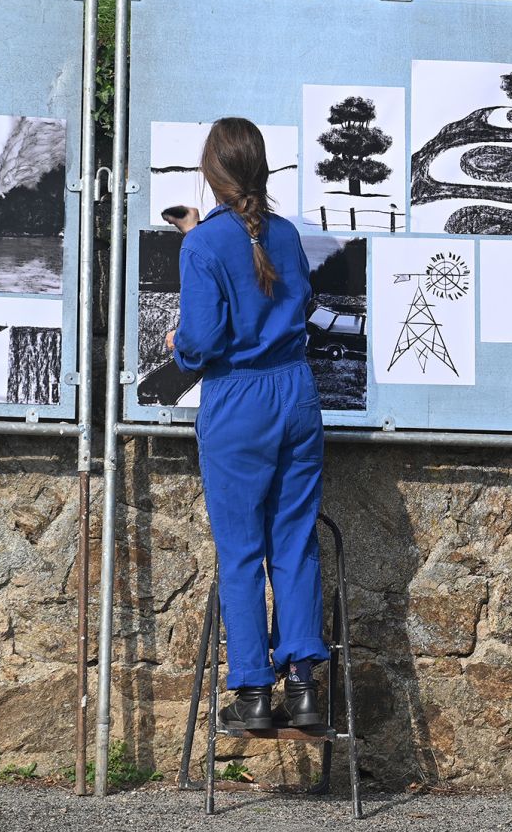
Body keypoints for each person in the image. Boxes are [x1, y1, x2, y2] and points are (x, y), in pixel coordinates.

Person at [163, 117, 330, 729]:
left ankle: (254, 693)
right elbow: (294, 297)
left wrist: (179, 344)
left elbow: (203, 341)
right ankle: (303, 688)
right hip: (296, 393)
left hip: (238, 401)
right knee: (294, 542)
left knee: (240, 552)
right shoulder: (284, 234)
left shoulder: (205, 245)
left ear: (210, 174)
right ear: (260, 170)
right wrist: (199, 233)